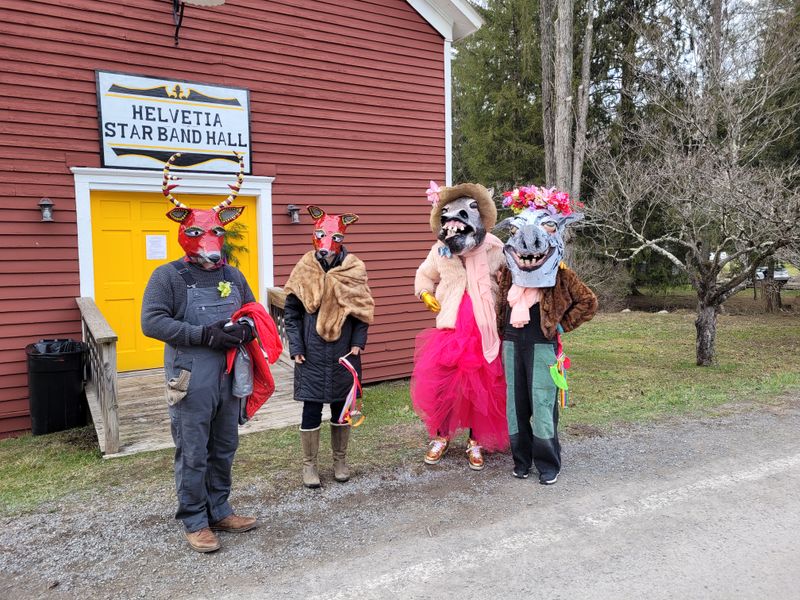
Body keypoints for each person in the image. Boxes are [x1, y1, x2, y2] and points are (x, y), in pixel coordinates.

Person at [141, 153, 258, 553]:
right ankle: (194, 519)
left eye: (215, 238)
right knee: (193, 450)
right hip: (190, 377)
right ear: (185, 234)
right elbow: (151, 323)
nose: (210, 247)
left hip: (229, 375)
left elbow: (253, 309)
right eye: (199, 236)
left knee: (224, 445)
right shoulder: (168, 276)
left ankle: (219, 509)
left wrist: (246, 327)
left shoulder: (232, 274)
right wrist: (203, 335)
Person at [496, 186, 598, 484]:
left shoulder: (562, 275)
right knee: (516, 405)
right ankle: (521, 460)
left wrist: (561, 325)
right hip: (512, 344)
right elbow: (499, 303)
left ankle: (548, 464)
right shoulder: (507, 273)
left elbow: (588, 302)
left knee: (542, 404)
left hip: (542, 344)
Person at [412, 182, 508, 471]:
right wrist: (425, 293)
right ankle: (440, 436)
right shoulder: (440, 250)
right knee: (445, 387)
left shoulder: (494, 247)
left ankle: (475, 441)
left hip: (483, 329)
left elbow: (512, 274)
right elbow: (424, 275)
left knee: (482, 387)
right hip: (450, 330)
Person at [283, 205, 375, 488]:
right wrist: (296, 345)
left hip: (343, 353)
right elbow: (292, 312)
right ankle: (309, 466)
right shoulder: (304, 268)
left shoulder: (353, 269)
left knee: (340, 409)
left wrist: (358, 343)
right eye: (322, 235)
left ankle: (340, 460)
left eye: (333, 237)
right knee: (310, 409)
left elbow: (362, 310)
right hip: (310, 353)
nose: (327, 244)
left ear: (342, 238)